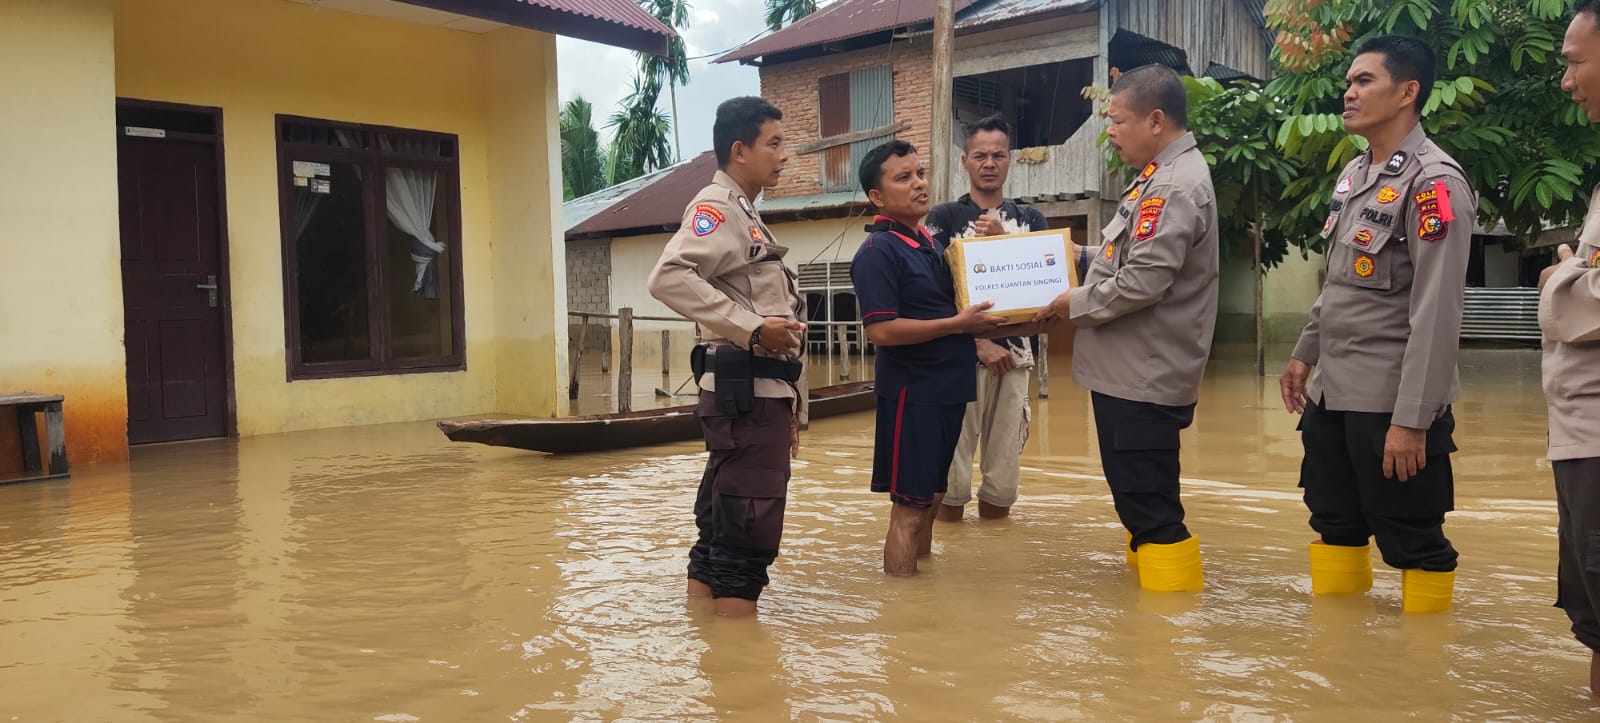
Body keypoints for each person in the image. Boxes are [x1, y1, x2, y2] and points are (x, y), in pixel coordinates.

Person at [1278, 36, 1476, 613]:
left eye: (1365, 80)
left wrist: (1412, 421)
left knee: (1415, 539)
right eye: (1349, 80)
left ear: (1407, 92)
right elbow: (1340, 281)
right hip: (1332, 395)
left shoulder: (1435, 184)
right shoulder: (1356, 173)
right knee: (1333, 522)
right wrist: (1303, 354)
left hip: (1390, 403)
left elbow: (1437, 315)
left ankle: (1422, 679)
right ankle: (1342, 672)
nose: (1349, 91)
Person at [1033, 64, 1219, 592]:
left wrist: (1070, 304)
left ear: (1155, 120)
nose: (1109, 131)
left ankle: (1169, 633)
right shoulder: (1158, 178)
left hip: (1145, 376)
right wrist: (1078, 255)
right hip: (1129, 373)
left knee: (1151, 506)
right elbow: (1133, 258)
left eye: (1117, 120)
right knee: (1138, 500)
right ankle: (1148, 625)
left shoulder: (1175, 186)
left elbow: (1143, 284)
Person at [646, 97, 807, 617]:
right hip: (748, 399)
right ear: (740, 150)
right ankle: (739, 687)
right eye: (775, 143)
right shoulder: (718, 208)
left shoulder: (746, 213)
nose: (785, 155)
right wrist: (755, 328)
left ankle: (711, 656)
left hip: (756, 398)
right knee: (746, 540)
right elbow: (668, 277)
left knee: (720, 533)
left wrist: (794, 409)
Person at [849, 139, 1025, 576]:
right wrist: (958, 326)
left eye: (921, 173)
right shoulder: (877, 252)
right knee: (908, 510)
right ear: (877, 196)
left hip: (947, 390)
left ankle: (921, 602)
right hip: (914, 395)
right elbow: (882, 331)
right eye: (903, 178)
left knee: (929, 500)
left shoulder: (926, 243)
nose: (919, 184)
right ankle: (903, 619)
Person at [925, 114, 1049, 522]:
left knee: (1003, 474)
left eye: (998, 155)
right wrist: (977, 341)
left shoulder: (1031, 221)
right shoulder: (942, 219)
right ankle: (952, 565)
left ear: (1010, 160)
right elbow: (932, 291)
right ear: (965, 161)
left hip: (1015, 359)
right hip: (957, 357)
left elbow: (1042, 293)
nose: (989, 163)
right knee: (951, 475)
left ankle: (994, 560)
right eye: (980, 155)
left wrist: (1003, 241)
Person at [1544, 0, 1600, 693]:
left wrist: (1563, 279)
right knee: (1590, 609)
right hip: (1579, 429)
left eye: (1575, 61)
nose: (1567, 80)